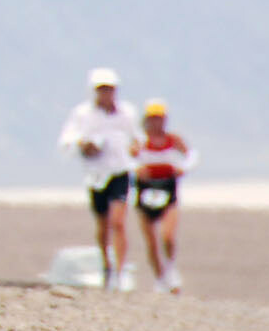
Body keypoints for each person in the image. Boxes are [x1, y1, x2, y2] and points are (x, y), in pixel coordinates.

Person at [56, 67, 141, 290]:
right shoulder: (83, 114)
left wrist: (135, 147)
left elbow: (137, 138)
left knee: (118, 222)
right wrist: (83, 145)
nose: (106, 94)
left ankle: (120, 273)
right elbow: (67, 140)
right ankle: (107, 264)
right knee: (103, 225)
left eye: (109, 89)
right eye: (102, 89)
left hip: (120, 172)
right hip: (96, 175)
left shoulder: (126, 113)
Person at [133, 99, 196, 293]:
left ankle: (170, 269)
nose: (156, 123)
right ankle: (160, 278)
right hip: (146, 192)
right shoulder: (140, 141)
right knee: (151, 242)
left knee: (167, 236)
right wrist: (137, 169)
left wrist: (182, 168)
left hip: (168, 192)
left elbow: (191, 155)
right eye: (152, 119)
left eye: (159, 118)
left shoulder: (173, 140)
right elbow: (126, 160)